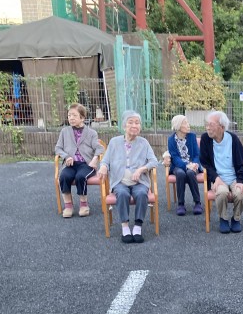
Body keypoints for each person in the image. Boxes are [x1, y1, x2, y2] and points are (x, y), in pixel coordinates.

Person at [97, 110, 158, 243]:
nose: (134, 125)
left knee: (142, 193)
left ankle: (137, 227)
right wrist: (103, 167)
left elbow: (154, 161)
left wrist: (141, 169)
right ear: (124, 126)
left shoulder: (144, 143)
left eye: (137, 123)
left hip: (139, 182)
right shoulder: (114, 142)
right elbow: (105, 161)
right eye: (131, 122)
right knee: (122, 193)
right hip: (120, 182)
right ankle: (125, 227)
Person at [199, 110, 243, 234]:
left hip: (234, 178)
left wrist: (241, 181)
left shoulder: (233, 139)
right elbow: (205, 163)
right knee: (221, 193)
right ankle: (223, 218)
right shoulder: (205, 139)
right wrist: (215, 178)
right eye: (207, 124)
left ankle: (236, 219)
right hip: (218, 178)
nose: (207, 127)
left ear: (221, 127)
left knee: (240, 193)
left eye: (211, 124)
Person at [55, 103, 104, 218]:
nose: (71, 118)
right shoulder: (65, 131)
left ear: (82, 118)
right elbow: (58, 148)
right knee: (64, 176)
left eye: (74, 115)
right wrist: (66, 156)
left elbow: (99, 148)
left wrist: (95, 159)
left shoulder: (91, 133)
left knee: (80, 177)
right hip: (71, 164)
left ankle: (83, 205)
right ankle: (68, 206)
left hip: (86, 164)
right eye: (69, 115)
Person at [163, 114, 203, 216]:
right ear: (178, 126)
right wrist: (186, 165)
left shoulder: (192, 136)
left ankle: (197, 203)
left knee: (190, 173)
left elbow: (196, 154)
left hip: (193, 164)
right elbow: (175, 157)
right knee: (180, 173)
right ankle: (181, 204)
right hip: (178, 166)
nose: (188, 125)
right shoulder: (171, 140)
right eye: (185, 123)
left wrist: (194, 164)